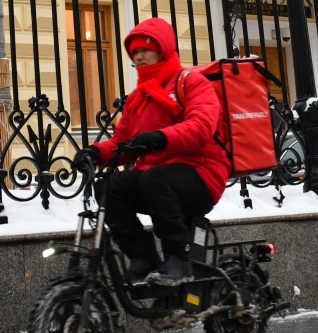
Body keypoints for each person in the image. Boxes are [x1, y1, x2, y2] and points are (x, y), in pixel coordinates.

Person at [76, 17, 228, 286]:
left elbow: (201, 126)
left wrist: (160, 138)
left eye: (146, 48)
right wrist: (95, 153)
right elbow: (122, 142)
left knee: (154, 178)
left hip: (201, 173)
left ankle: (178, 259)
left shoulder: (191, 82)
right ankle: (143, 258)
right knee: (109, 186)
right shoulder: (138, 97)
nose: (140, 55)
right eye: (135, 51)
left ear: (164, 50)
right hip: (157, 181)